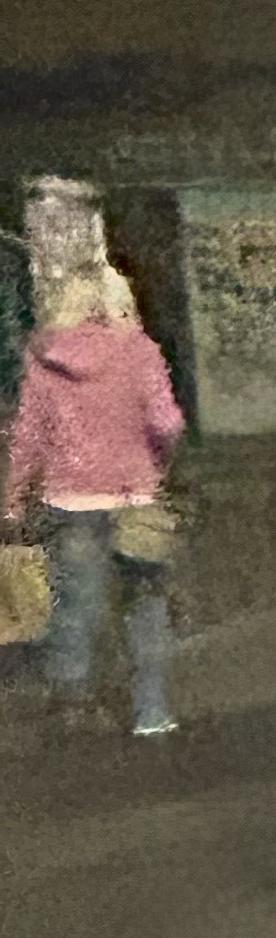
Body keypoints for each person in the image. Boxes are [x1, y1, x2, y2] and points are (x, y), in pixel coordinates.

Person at [4, 262, 187, 741]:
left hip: (71, 496)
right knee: (144, 603)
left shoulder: (44, 358)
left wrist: (13, 496)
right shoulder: (139, 351)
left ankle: (73, 709)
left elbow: (28, 433)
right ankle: (150, 709)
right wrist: (153, 461)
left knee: (76, 603)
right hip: (136, 495)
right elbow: (167, 423)